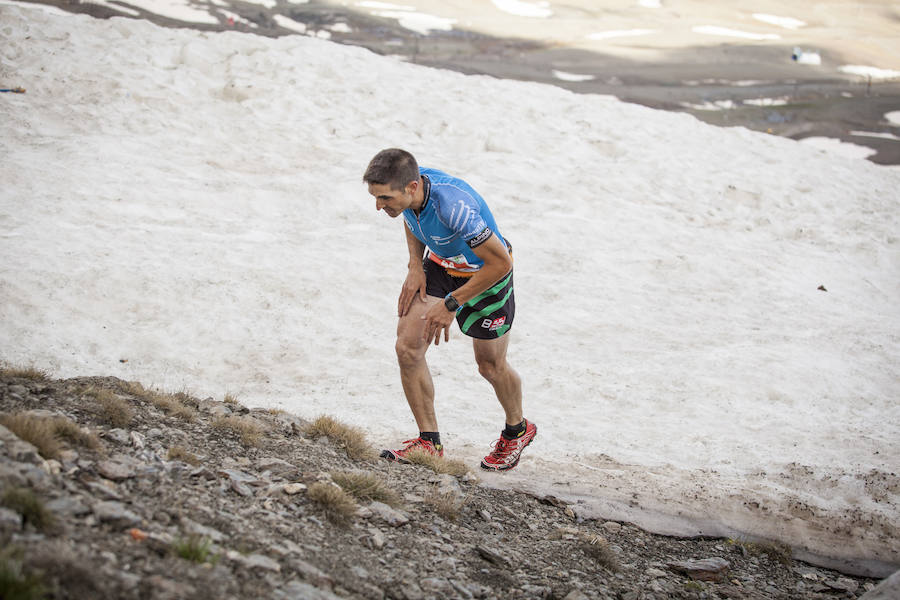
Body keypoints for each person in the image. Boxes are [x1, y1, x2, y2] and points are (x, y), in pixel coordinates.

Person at [362, 148, 537, 471]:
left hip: (486, 274)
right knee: (407, 349)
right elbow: (411, 216)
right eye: (376, 197)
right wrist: (415, 264)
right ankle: (429, 442)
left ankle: (517, 430)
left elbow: (500, 262)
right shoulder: (410, 184)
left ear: (411, 187)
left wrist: (452, 303)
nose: (379, 206)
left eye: (384, 198)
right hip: (441, 266)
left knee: (490, 366)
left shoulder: (455, 208)